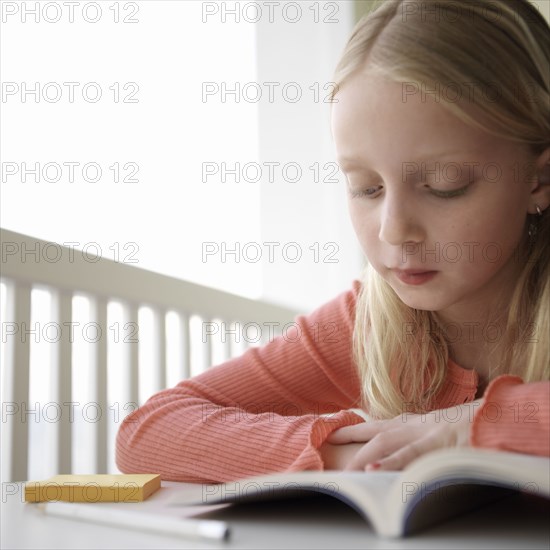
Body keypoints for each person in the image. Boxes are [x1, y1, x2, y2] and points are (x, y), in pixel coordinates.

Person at [116, 0, 550, 482]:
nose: (392, 230)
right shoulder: (372, 325)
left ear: (539, 178)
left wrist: (470, 428)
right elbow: (148, 431)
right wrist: (350, 457)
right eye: (366, 187)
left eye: (445, 184)